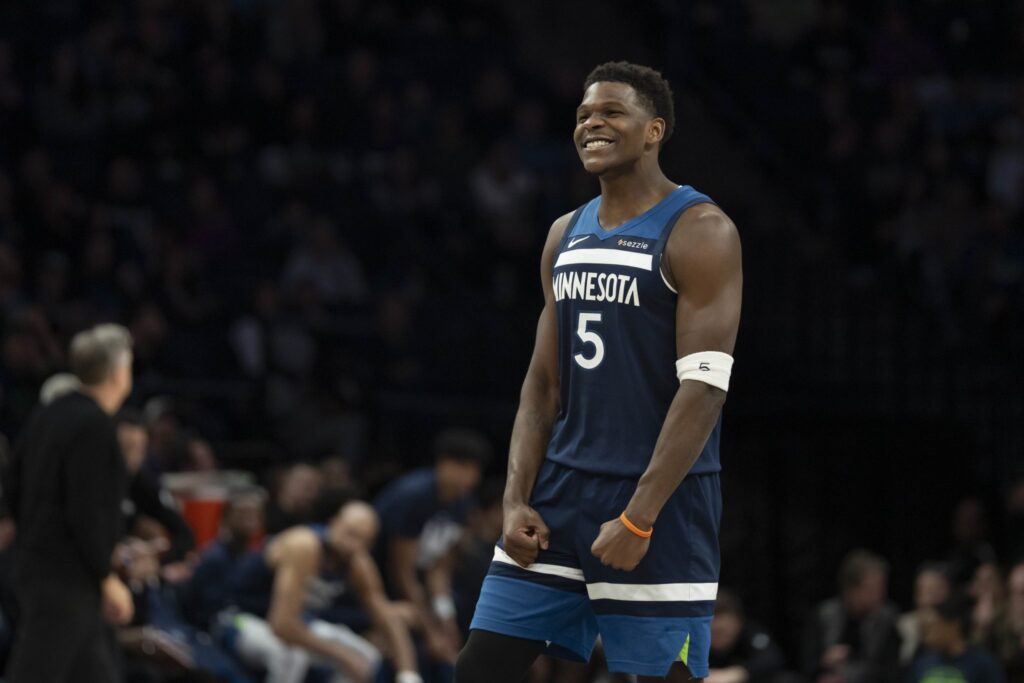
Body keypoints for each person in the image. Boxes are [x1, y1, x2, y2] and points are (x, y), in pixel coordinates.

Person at [456, 61, 743, 683]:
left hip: (658, 501)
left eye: (612, 112)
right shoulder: (564, 235)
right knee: (481, 668)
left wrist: (640, 515)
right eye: (584, 115)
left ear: (654, 131)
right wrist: (512, 501)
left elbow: (704, 388)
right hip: (560, 494)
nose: (592, 124)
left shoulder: (701, 230)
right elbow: (541, 385)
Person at [3, 323, 136, 682]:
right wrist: (106, 577)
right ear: (119, 371)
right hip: (66, 578)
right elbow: (86, 510)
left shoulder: (47, 413)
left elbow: (12, 484)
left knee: (96, 673)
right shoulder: (95, 424)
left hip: (40, 567)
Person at [225, 500, 422, 683]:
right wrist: (344, 655)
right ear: (333, 523)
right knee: (291, 656)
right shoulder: (304, 546)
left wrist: (408, 675)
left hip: (291, 622)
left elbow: (386, 617)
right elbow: (282, 625)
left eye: (362, 540)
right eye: (350, 534)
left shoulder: (357, 563)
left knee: (366, 657)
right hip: (239, 617)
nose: (353, 545)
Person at [374, 427, 491, 663]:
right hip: (380, 583)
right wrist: (430, 631)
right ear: (443, 463)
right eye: (462, 467)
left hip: (418, 584)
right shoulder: (413, 496)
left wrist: (445, 621)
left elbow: (439, 569)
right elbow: (402, 572)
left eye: (474, 469)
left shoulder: (462, 504)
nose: (469, 477)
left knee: (457, 623)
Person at [801, 549, 901, 683]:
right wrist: (823, 661)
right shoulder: (824, 615)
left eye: (882, 587)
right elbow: (806, 664)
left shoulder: (888, 620)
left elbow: (889, 671)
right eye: (871, 589)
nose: (880, 595)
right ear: (851, 590)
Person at [907, 594, 1004, 683]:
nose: (927, 635)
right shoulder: (922, 663)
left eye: (933, 627)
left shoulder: (983, 664)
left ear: (953, 626)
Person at [708, 591, 785, 683]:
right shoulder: (692, 641)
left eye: (723, 631)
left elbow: (772, 659)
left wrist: (738, 673)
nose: (719, 637)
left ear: (738, 622)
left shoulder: (750, 634)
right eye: (713, 632)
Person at [899, 563, 953, 665]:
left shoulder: (953, 626)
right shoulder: (903, 625)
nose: (926, 600)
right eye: (921, 592)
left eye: (932, 592)